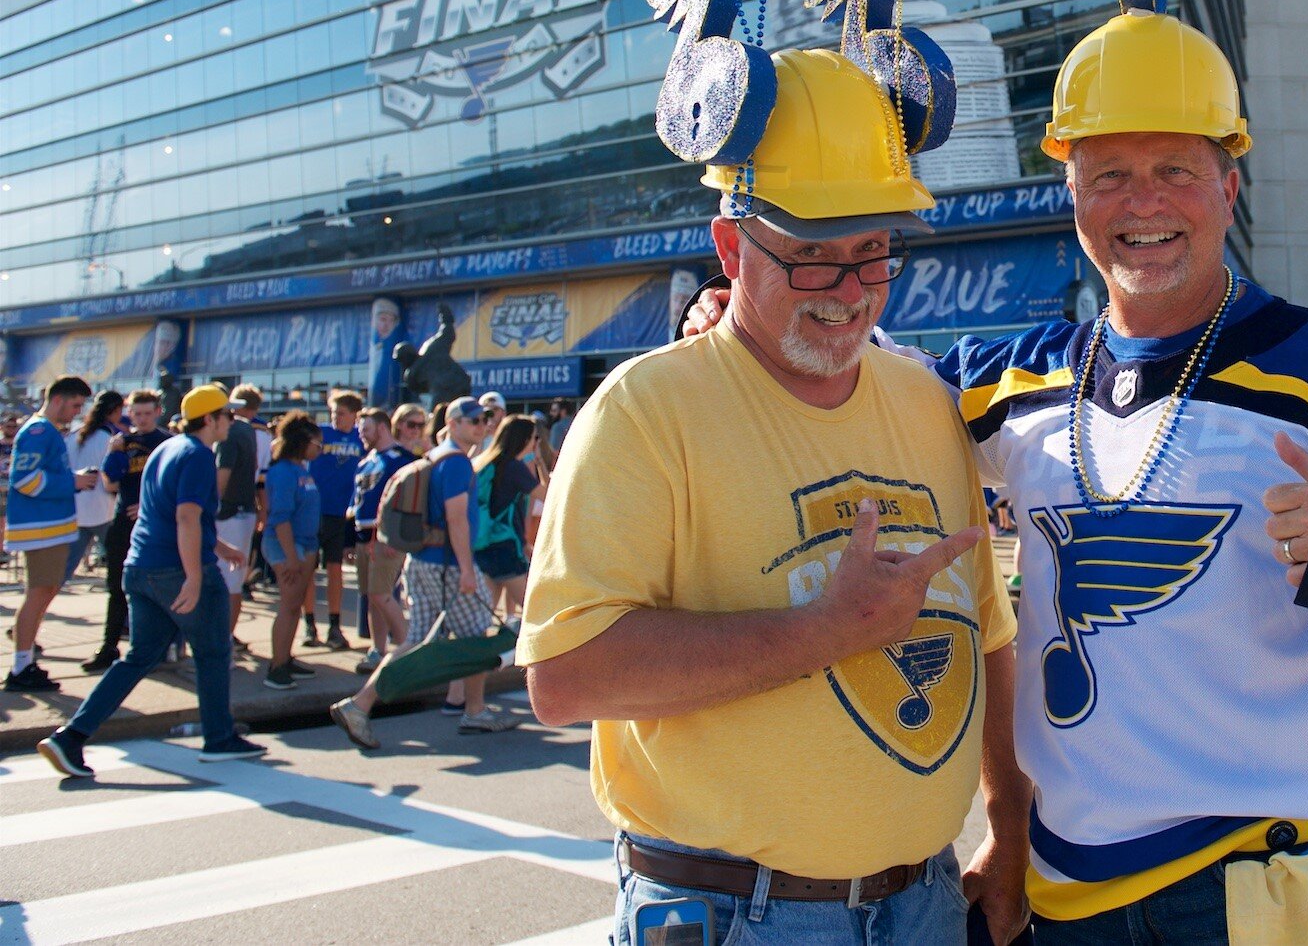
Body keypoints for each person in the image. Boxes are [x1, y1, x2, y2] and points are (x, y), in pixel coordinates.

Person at [687, 19, 1308, 941]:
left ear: (1228, 187)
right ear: (1073, 193)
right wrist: (746, 308)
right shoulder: (1021, 381)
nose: (1143, 201)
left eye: (1175, 169)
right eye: (1109, 174)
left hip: (1270, 882)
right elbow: (868, 370)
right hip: (1073, 898)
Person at [519, 48, 1020, 943]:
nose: (851, 292)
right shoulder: (645, 411)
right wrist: (825, 630)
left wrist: (1010, 831)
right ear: (730, 248)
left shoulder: (925, 403)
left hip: (928, 902)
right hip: (737, 916)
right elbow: (564, 677)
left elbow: (988, 637)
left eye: (873, 252)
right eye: (812, 256)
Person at [37, 385, 265, 776]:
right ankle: (219, 738)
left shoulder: (166, 448)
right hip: (175, 569)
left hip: (140, 567)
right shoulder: (198, 455)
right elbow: (186, 517)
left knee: (139, 657)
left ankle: (70, 737)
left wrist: (220, 545)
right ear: (210, 419)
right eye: (227, 414)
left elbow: (163, 510)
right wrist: (195, 576)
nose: (232, 421)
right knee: (213, 652)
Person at [330, 396, 519, 743]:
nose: (481, 426)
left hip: (422, 562)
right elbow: (457, 519)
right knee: (478, 642)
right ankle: (475, 711)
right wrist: (467, 570)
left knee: (415, 641)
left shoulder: (436, 456)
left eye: (484, 420)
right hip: (448, 565)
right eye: (474, 420)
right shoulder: (456, 463)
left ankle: (359, 705)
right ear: (453, 424)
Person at [7, 375, 96, 693]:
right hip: (42, 527)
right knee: (39, 594)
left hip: (49, 526)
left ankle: (24, 662)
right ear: (58, 400)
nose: (77, 412)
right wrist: (73, 482)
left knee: (42, 594)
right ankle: (21, 666)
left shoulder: (44, 431)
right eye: (75, 405)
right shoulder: (39, 431)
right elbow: (24, 479)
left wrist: (73, 479)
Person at [82, 390, 175, 674]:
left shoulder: (169, 442)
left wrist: (148, 505)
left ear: (158, 412)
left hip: (156, 523)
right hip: (123, 522)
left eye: (148, 413)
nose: (142, 419)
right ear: (130, 414)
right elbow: (110, 483)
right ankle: (109, 646)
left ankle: (163, 646)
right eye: (137, 414)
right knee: (117, 587)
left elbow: (176, 486)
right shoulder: (122, 442)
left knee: (160, 586)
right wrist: (114, 452)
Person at [261, 414, 324, 691]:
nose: (320, 449)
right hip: (287, 545)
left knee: (295, 604)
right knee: (288, 606)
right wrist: (291, 557)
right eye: (317, 444)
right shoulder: (284, 472)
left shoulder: (300, 469)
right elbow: (280, 518)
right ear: (302, 442)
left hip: (305, 543)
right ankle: (276, 667)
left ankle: (285, 658)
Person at [350, 407, 415, 674]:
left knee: (381, 593)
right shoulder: (366, 461)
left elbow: (408, 502)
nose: (362, 435)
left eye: (366, 429)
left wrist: (393, 537)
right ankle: (377, 649)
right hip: (363, 536)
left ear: (381, 427)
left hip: (386, 537)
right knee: (372, 596)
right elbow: (355, 504)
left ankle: (409, 652)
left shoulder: (402, 460)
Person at [307, 391, 366, 651]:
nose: (336, 418)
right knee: (308, 569)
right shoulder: (320, 434)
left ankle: (334, 624)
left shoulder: (361, 439)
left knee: (335, 569)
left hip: (342, 514)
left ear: (354, 415)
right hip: (315, 510)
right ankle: (309, 623)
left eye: (341, 413)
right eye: (333, 412)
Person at [468, 414, 539, 622]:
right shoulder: (514, 467)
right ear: (524, 439)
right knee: (535, 612)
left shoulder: (485, 461)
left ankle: (483, 643)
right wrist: (540, 463)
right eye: (534, 438)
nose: (536, 443)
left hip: (483, 542)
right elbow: (549, 496)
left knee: (483, 618)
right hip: (505, 547)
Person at [216, 386, 267, 651]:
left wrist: (206, 509)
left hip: (228, 514)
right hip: (242, 512)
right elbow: (257, 473)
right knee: (232, 582)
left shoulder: (231, 433)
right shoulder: (248, 430)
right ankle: (225, 638)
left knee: (225, 582)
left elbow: (222, 478)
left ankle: (221, 642)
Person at [66, 390, 124, 585]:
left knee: (64, 570)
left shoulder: (73, 436)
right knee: (119, 565)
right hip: (104, 510)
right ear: (117, 410)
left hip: (75, 509)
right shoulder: (112, 439)